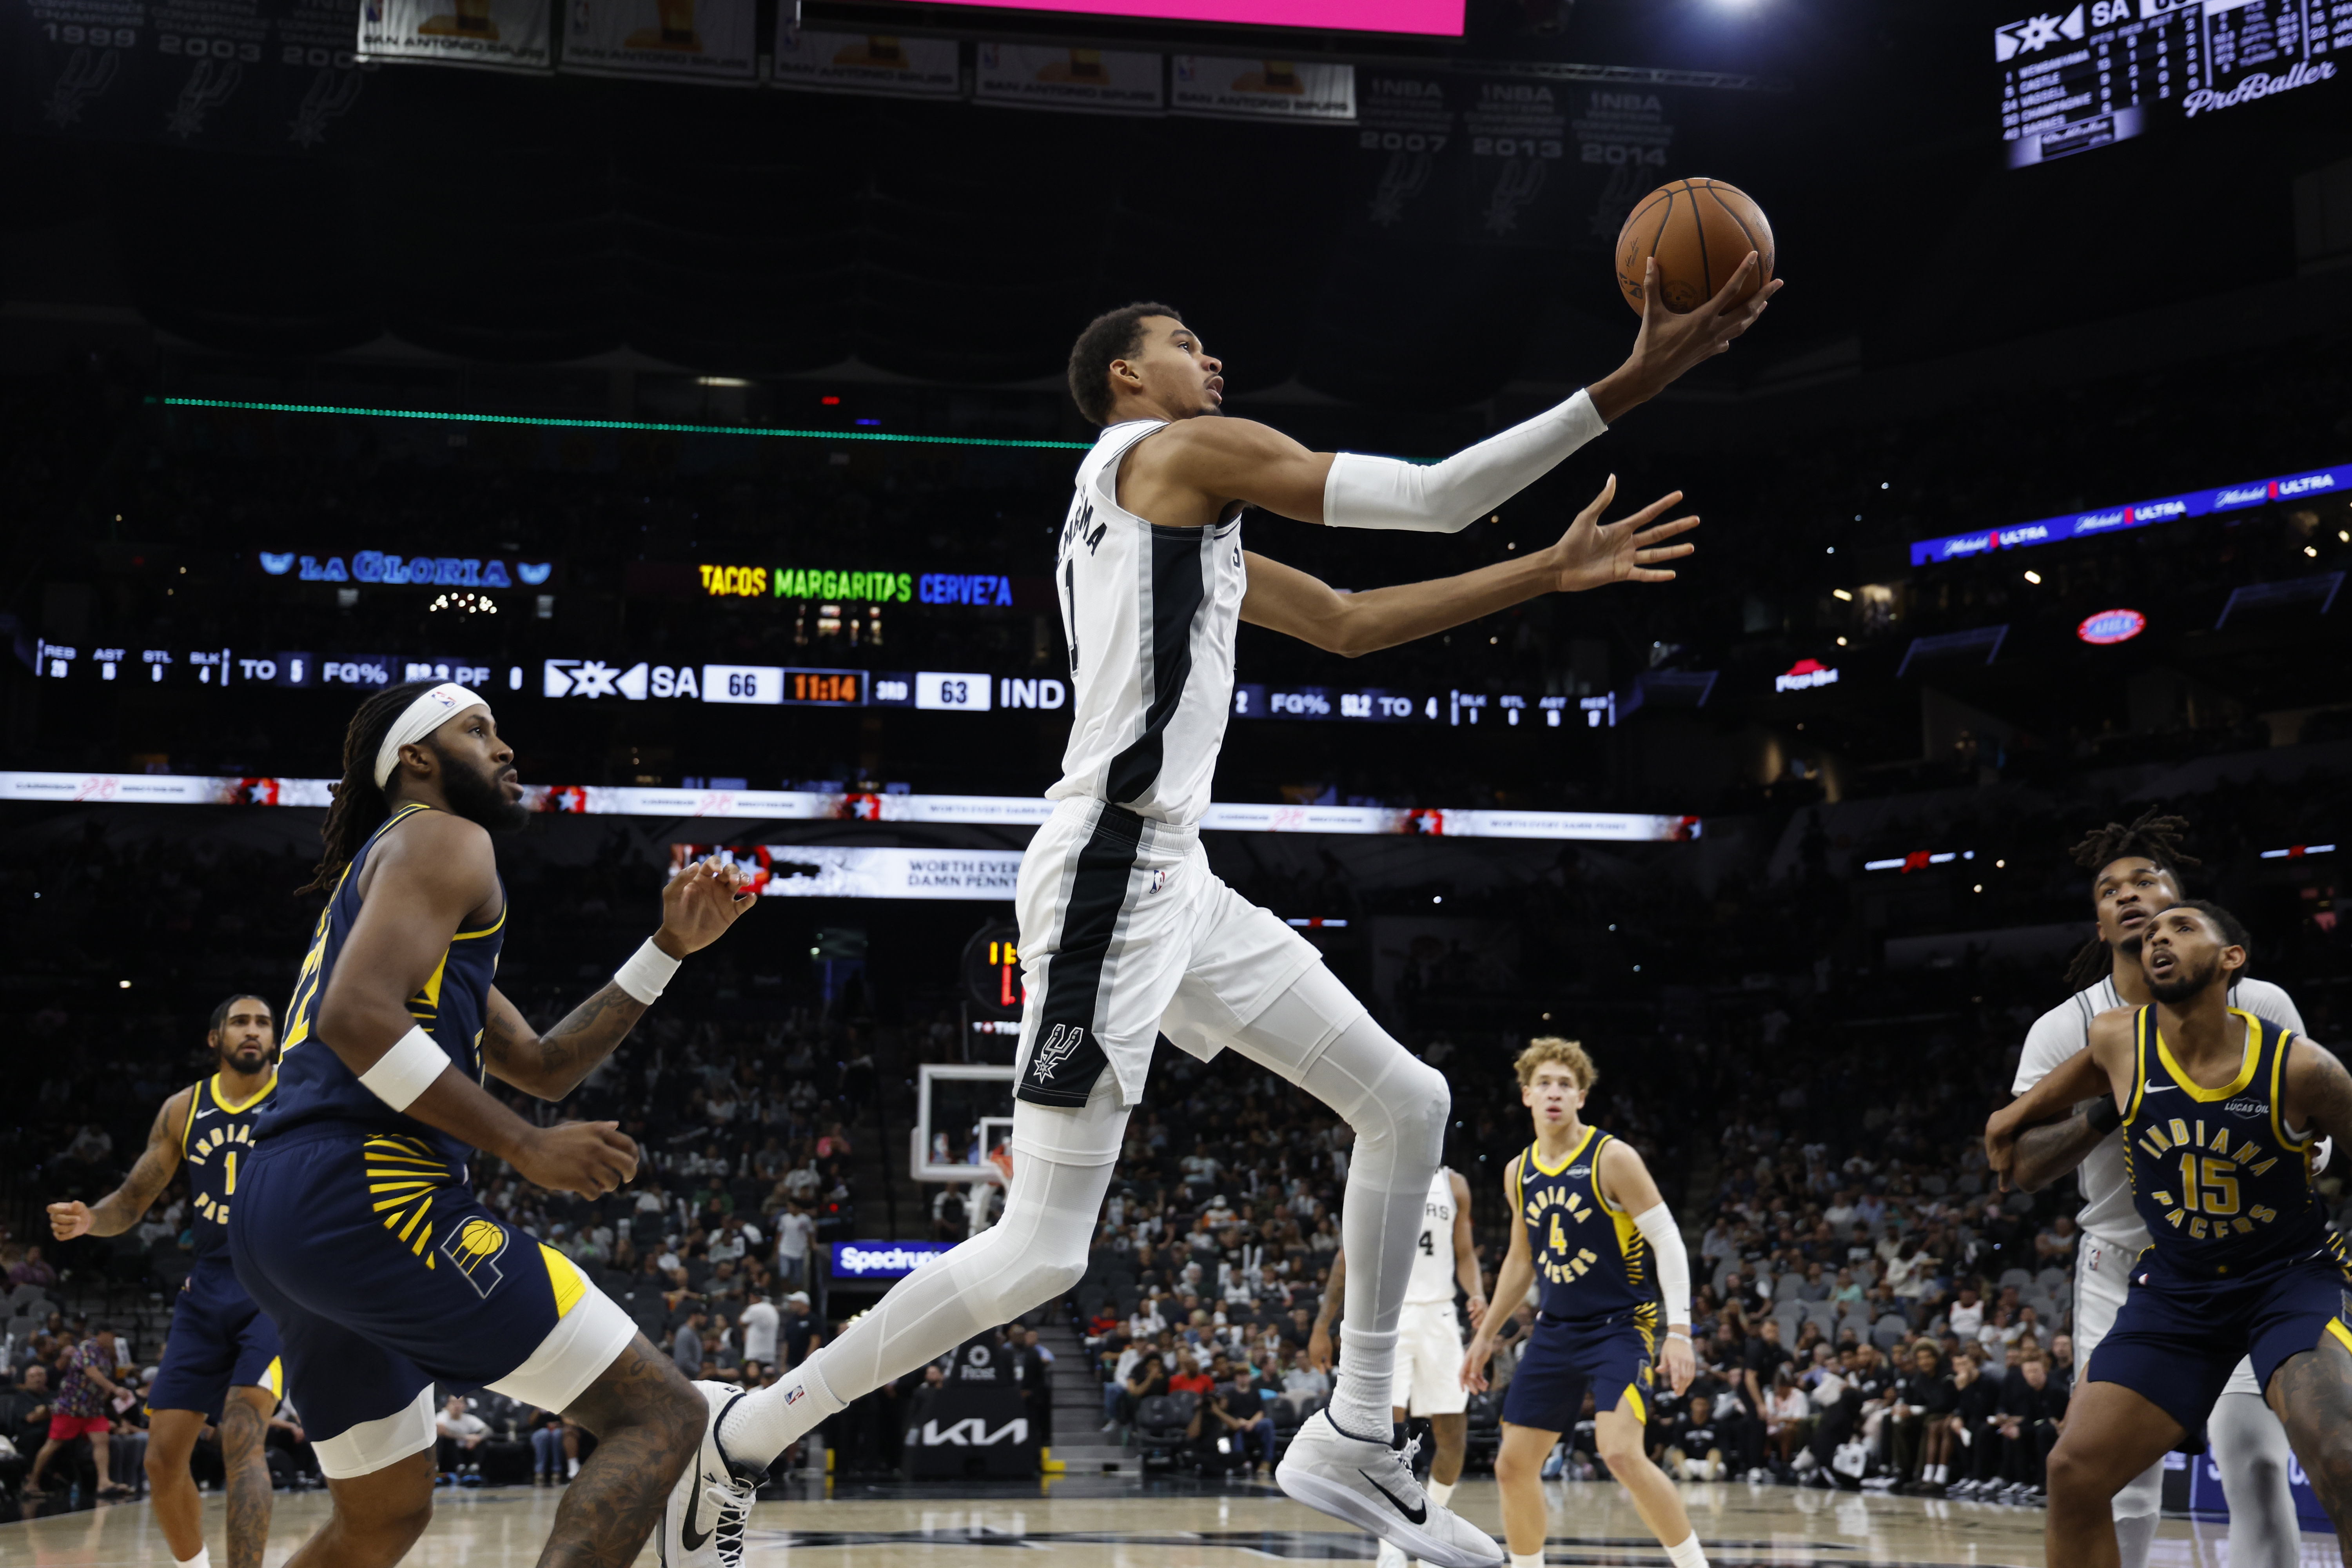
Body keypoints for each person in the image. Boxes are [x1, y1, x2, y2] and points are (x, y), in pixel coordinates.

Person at [691, 267, 1775, 1568]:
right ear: (1125, 378)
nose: (1213, 360)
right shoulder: (1174, 454)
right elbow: (1432, 498)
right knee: (1040, 1252)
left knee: (1409, 1102)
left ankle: (1354, 1433)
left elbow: (1350, 623)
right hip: (1110, 870)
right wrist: (1631, 385)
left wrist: (1547, 571)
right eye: (1184, 341)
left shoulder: (1162, 523)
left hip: (1174, 876)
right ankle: (745, 1433)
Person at [225, 681, 755, 1568]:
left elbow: (545, 1065)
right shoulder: (445, 836)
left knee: (383, 1517)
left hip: (277, 1211)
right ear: (416, 759)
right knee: (662, 1413)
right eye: (478, 730)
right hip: (367, 1192)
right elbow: (356, 1018)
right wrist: (524, 1144)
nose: (505, 749)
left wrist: (666, 949)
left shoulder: (389, 878)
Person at [1987, 898, 2352, 1561]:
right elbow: (2056, 1097)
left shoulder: (2301, 1067)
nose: (2160, 938)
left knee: (2342, 1457)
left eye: (2182, 928)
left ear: (2231, 958)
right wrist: (2010, 1118)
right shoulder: (2117, 1037)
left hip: (2288, 1282)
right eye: (2153, 933)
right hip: (2179, 1289)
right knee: (2073, 1470)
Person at [47, 992, 285, 1568]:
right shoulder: (184, 1108)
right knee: (161, 1460)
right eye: (240, 1022)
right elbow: (133, 1199)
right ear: (215, 1039)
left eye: (263, 1023)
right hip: (206, 1290)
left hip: (276, 1290)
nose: (253, 1031)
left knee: (242, 1437)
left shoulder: (299, 1095)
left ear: (276, 1038)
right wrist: (90, 1219)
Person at [1463, 1038, 1711, 1568]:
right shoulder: (1518, 1172)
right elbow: (1521, 1259)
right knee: (1512, 1466)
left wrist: (1680, 1332)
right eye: (1545, 1084)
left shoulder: (1612, 1158)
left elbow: (1668, 1240)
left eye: (1566, 1085)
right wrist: (1484, 1338)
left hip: (1620, 1326)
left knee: (1619, 1451)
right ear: (1527, 1095)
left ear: (1581, 1097)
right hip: (1556, 1329)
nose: (1555, 1093)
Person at [1310, 1165, 1486, 1568]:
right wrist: (1321, 1326)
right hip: (1390, 1313)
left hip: (1441, 1315)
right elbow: (1347, 1256)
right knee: (1386, 1435)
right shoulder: (1381, 1172)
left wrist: (1477, 1293)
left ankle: (1430, 1527)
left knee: (1454, 1436)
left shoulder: (1454, 1184)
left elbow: (1464, 1254)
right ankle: (1390, 1539)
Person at [25, 1325, 129, 1500]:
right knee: (53, 1444)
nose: (114, 1341)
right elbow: (91, 1372)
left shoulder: (106, 1354)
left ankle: (104, 1483)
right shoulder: (87, 1347)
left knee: (102, 1440)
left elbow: (108, 1376)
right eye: (112, 1336)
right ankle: (32, 1483)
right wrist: (114, 1389)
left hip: (92, 1409)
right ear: (102, 1334)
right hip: (72, 1406)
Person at [432, 1396, 488, 1483]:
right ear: (447, 1405)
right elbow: (441, 1430)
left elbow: (488, 1430)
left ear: (465, 1406)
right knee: (445, 1439)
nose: (457, 1405)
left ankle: (474, 1469)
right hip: (448, 1455)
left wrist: (478, 1438)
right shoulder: (443, 1416)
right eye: (453, 1402)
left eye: (460, 1402)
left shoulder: (469, 1418)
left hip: (465, 1452)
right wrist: (466, 1437)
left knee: (481, 1440)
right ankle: (459, 1468)